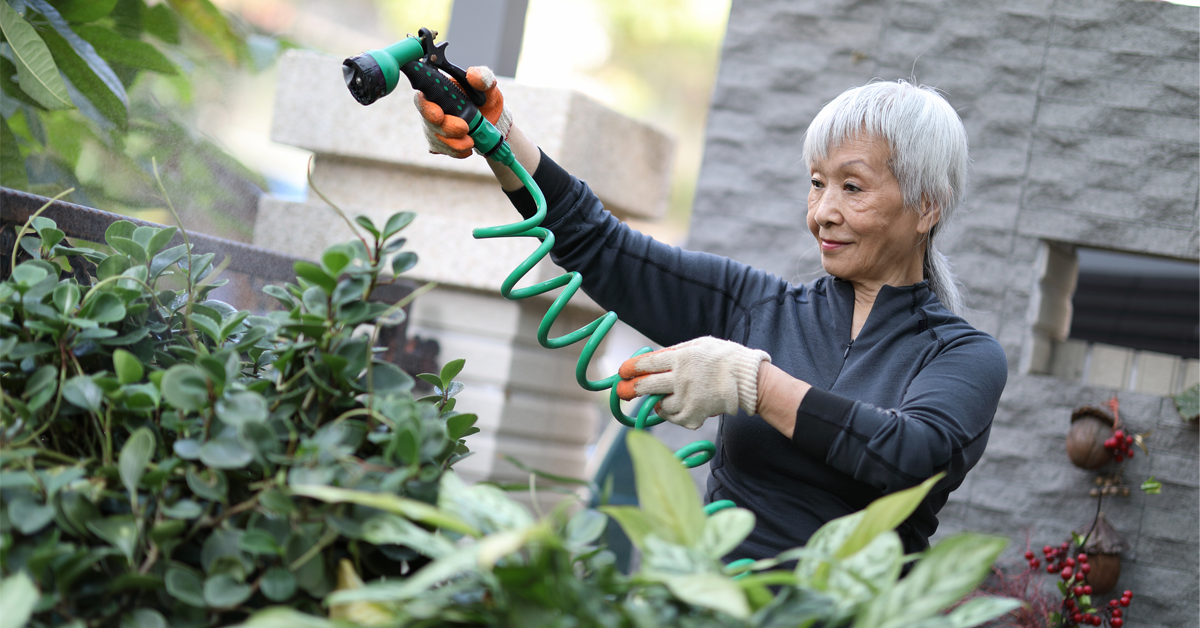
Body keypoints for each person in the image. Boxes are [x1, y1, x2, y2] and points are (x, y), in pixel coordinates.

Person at [414, 67, 1008, 562]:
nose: (823, 211)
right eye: (817, 183)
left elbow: (902, 455)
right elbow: (597, 242)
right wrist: (499, 135)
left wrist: (752, 383)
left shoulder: (962, 357)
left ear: (926, 205)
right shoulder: (756, 308)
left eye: (852, 188)